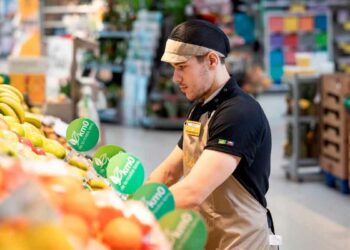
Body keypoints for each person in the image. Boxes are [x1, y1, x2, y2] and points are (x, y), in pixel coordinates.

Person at [147, 19, 275, 250]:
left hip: (240, 240)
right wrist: (134, 198)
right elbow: (168, 172)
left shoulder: (239, 113)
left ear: (212, 60)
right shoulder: (201, 108)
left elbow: (193, 191)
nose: (176, 78)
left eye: (182, 67)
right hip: (208, 237)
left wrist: (140, 211)